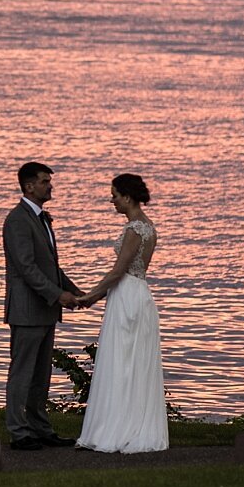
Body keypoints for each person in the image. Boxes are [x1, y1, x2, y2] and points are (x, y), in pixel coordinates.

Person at [74, 172, 169, 453]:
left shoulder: (134, 229)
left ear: (127, 197)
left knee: (122, 361)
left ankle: (118, 428)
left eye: (114, 194)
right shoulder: (149, 227)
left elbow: (118, 271)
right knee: (133, 362)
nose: (111, 199)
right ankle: (131, 421)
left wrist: (90, 295)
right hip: (138, 294)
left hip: (127, 297)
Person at [2, 160, 84, 450]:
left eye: (49, 181)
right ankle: (18, 431)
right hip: (26, 310)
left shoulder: (41, 219)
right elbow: (26, 268)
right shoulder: (17, 220)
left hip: (45, 309)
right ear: (28, 186)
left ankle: (40, 428)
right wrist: (58, 295)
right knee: (22, 373)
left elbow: (49, 266)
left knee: (41, 376)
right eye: (45, 181)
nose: (50, 186)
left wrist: (74, 290)